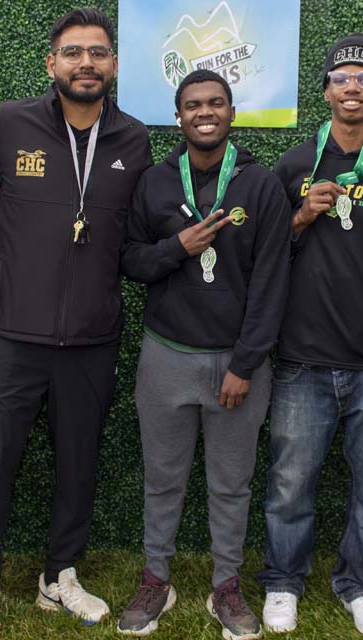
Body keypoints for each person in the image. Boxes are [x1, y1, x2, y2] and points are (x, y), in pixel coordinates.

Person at [0, 8, 152, 640]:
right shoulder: (9, 123)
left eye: (97, 53)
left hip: (91, 339)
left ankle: (59, 574)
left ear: (114, 65)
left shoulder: (134, 139)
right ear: (52, 64)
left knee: (79, 463)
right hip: (9, 335)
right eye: (72, 53)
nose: (85, 63)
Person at [258, 34, 363, 636]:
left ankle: (359, 585)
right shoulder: (295, 165)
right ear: (325, 91)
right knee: (288, 485)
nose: (352, 86)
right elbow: (266, 255)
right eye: (341, 77)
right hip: (301, 361)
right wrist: (302, 216)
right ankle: (282, 582)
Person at [117, 69, 291, 639]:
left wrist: (245, 363)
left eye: (216, 102)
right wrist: (176, 248)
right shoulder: (154, 182)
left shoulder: (260, 183)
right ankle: (155, 580)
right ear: (179, 115)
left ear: (232, 112)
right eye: (194, 105)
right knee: (162, 479)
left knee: (231, 483)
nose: (205, 112)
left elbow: (272, 283)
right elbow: (131, 261)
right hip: (166, 356)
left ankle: (225, 587)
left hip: (236, 364)